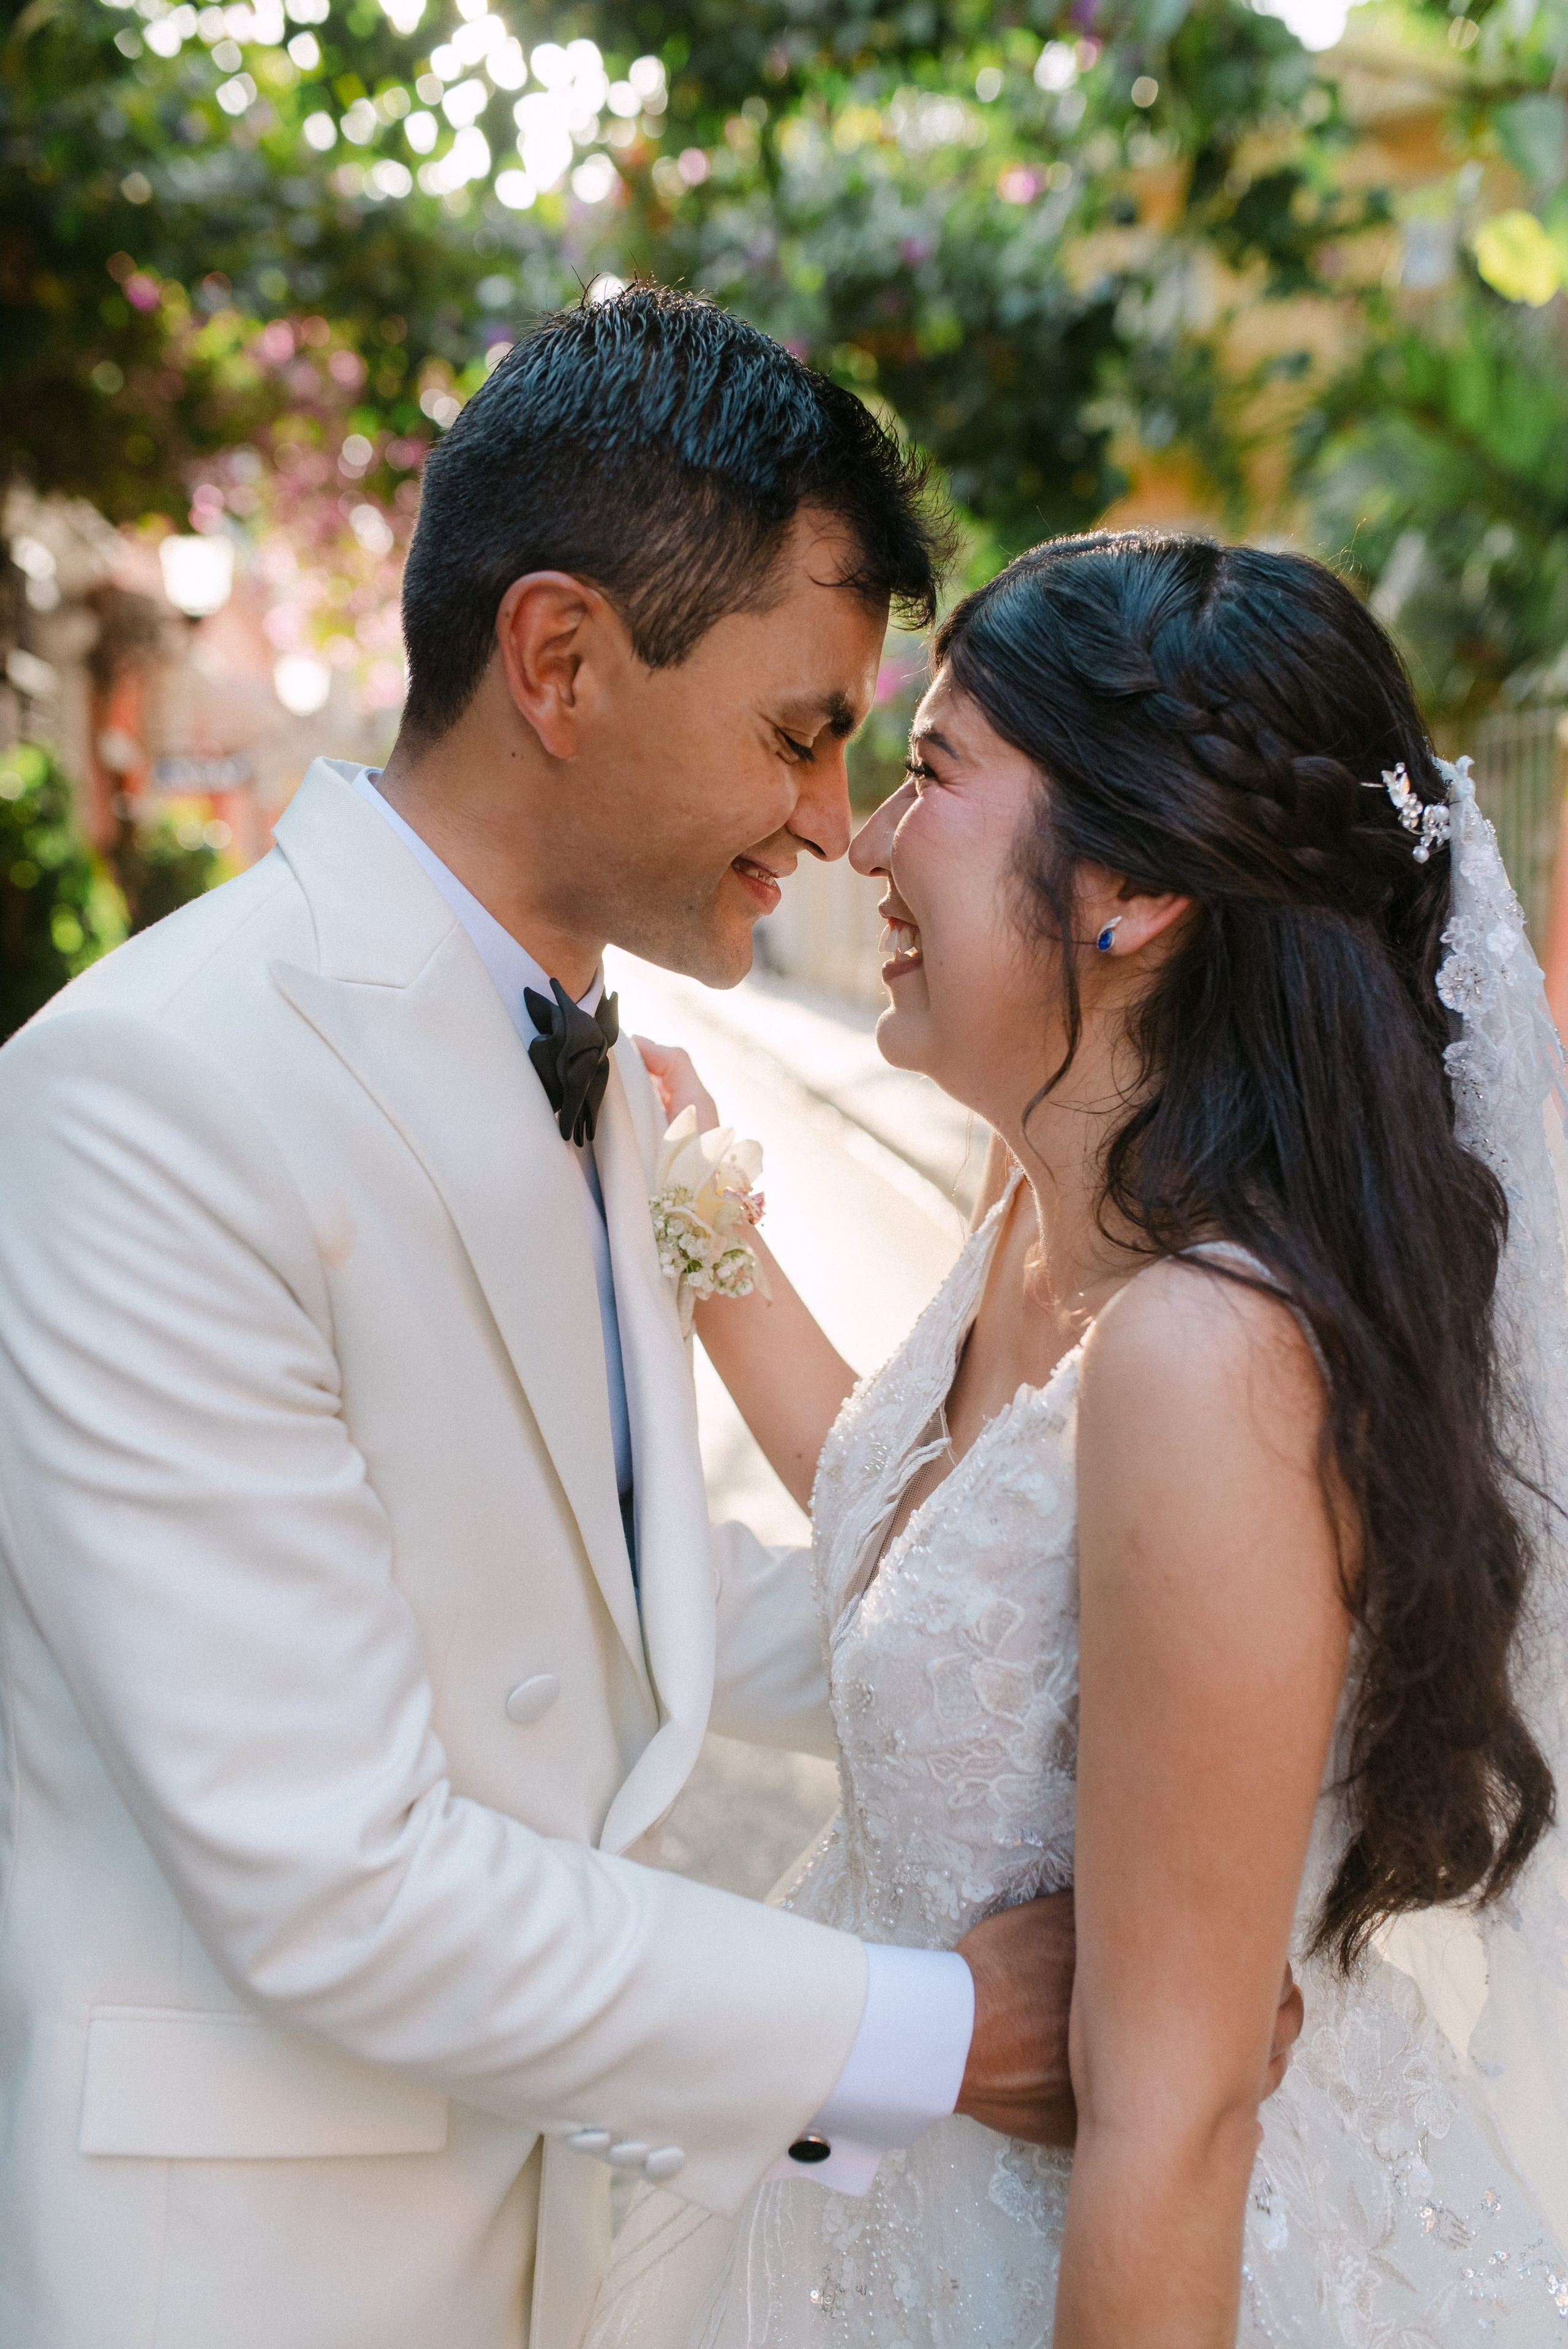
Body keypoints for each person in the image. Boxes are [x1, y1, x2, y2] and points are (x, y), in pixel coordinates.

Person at [0, 290, 1099, 2349]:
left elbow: (606, 1605)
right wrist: (931, 2027)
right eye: (799, 728)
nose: (837, 816)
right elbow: (336, 1871)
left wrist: (1092, 1638)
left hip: (563, 2249)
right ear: (561, 658)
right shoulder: (149, 1098)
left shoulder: (597, 1054)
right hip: (247, 2281)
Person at [590, 532, 1568, 2347]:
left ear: (1130, 891)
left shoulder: (1209, 1357)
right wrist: (687, 1199)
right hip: (909, 2207)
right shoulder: (1040, 1207)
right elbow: (910, 1539)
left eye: (933, 774)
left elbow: (1175, 2120)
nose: (863, 840)